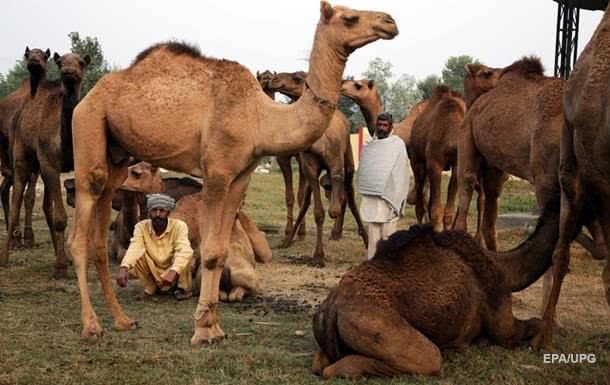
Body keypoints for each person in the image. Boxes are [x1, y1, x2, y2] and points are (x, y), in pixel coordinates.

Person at [116, 193, 194, 300]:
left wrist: (173, 271)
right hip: (153, 269)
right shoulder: (141, 227)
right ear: (149, 212)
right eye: (154, 210)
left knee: (185, 254)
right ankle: (151, 288)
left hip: (173, 272)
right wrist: (124, 267)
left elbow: (184, 250)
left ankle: (182, 289)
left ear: (168, 213)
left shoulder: (179, 226)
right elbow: (135, 247)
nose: (157, 214)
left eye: (162, 211)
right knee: (137, 255)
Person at [357, 112, 410, 260]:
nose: (381, 128)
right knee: (373, 234)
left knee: (388, 236)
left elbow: (402, 171)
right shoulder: (369, 145)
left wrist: (396, 193)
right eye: (379, 125)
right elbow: (366, 170)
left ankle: (388, 267)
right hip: (373, 198)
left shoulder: (398, 144)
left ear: (390, 127)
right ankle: (373, 264)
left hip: (390, 196)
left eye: (385, 125)